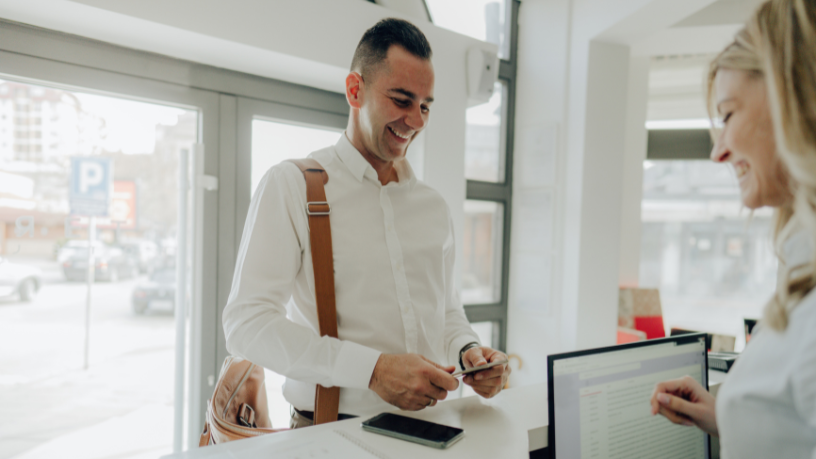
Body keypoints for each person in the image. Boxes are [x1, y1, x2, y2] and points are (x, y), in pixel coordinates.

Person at [222, 18, 511, 429]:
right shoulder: (292, 186)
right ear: (355, 90)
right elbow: (247, 325)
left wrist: (469, 351)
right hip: (331, 433)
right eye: (402, 99)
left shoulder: (433, 206)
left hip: (437, 430)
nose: (417, 120)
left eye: (425, 105)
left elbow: (444, 308)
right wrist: (372, 370)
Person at [649, 0, 816, 457]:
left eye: (727, 115)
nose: (717, 152)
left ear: (794, 98)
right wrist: (729, 415)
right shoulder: (801, 270)